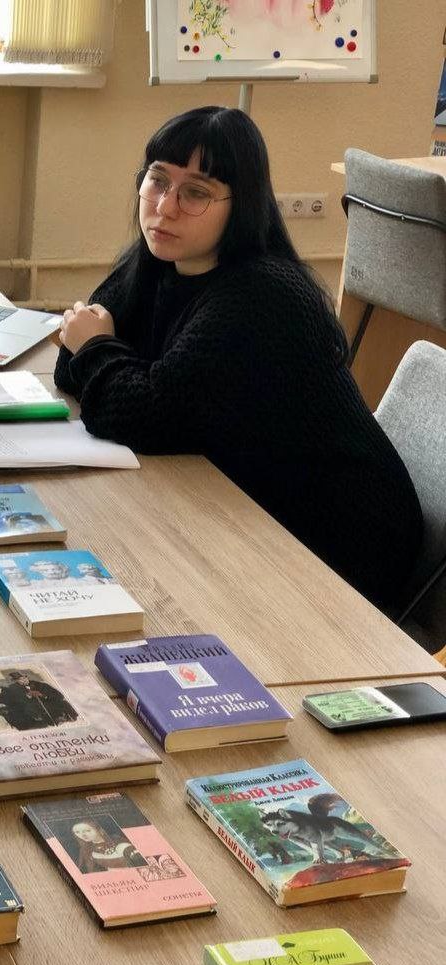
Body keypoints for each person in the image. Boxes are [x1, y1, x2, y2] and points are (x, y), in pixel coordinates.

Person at [54, 106, 422, 616]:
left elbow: (140, 413)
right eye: (157, 180)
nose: (166, 206)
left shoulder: (262, 294)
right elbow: (74, 362)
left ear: (241, 205)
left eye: (196, 192)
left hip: (340, 542)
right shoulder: (158, 260)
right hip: (246, 501)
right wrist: (99, 352)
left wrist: (99, 349)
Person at [69, 821, 144, 873]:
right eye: (77, 832)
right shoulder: (85, 850)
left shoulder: (117, 840)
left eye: (87, 830)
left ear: (99, 829)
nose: (82, 835)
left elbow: (138, 860)